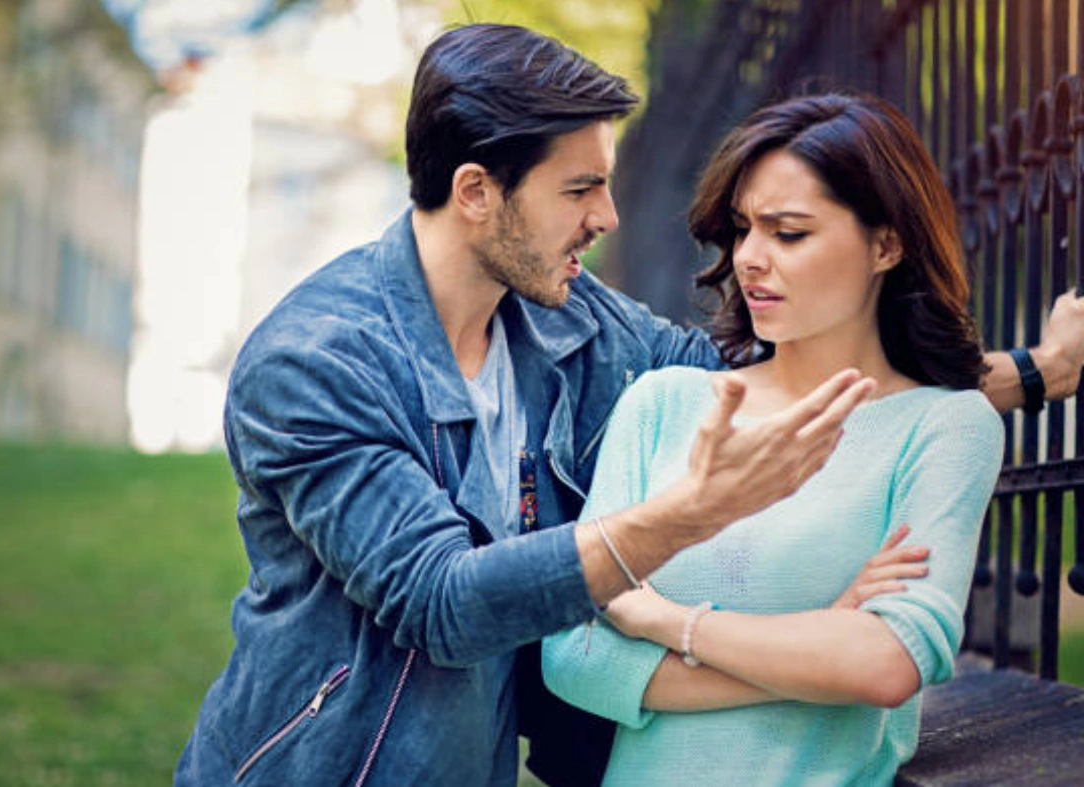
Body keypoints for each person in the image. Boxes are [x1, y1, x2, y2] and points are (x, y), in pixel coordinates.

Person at [176, 24, 1084, 787]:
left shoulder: (568, 319)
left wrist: (1031, 374)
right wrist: (692, 528)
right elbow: (442, 603)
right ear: (477, 193)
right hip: (326, 767)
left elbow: (788, 373)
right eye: (579, 188)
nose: (608, 215)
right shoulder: (316, 361)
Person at [542, 93, 1010, 786]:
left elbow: (886, 663)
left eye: (789, 234)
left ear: (886, 245)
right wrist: (821, 634)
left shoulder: (945, 427)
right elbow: (573, 656)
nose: (750, 259)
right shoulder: (662, 404)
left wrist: (666, 621)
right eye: (742, 229)